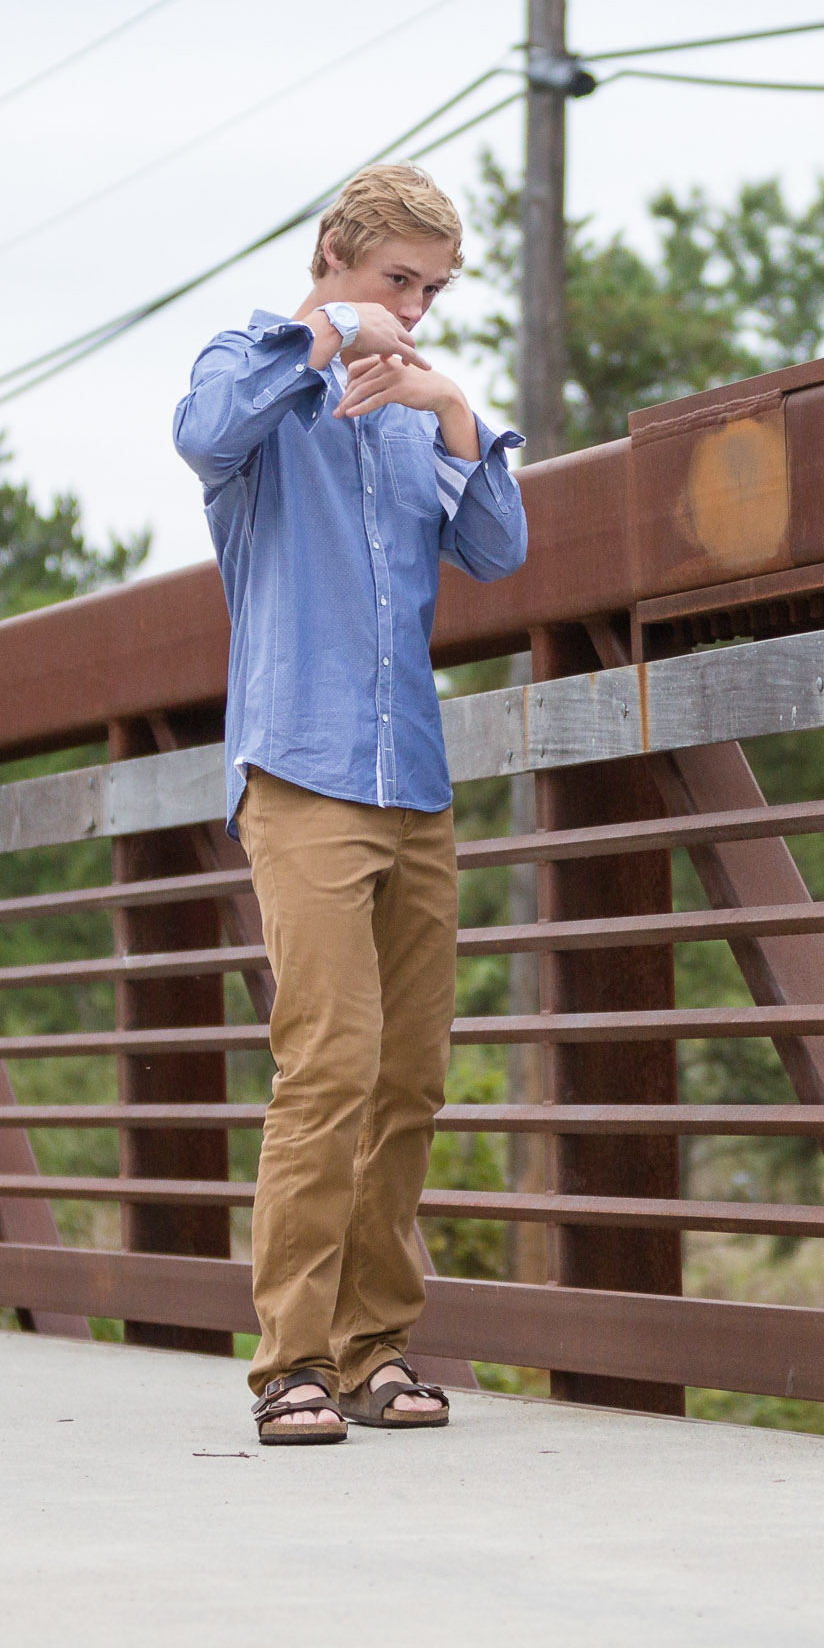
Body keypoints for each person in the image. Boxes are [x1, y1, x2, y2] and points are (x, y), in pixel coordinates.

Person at [173, 163, 528, 1447]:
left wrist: (447, 406)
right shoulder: (263, 377)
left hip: (412, 782)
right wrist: (330, 333)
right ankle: (293, 1365)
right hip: (302, 771)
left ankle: (380, 1351)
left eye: (432, 290)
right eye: (398, 281)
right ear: (338, 254)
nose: (415, 309)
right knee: (326, 1067)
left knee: (410, 1079)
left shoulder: (403, 412)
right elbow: (205, 432)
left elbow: (496, 547)